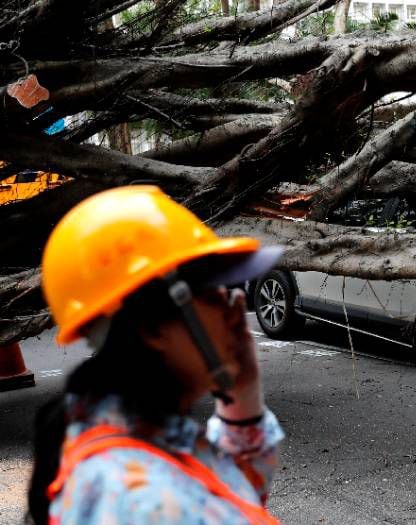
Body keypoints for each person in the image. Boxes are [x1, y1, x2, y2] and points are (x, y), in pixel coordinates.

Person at [27, 186, 284, 525]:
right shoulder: (143, 505)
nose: (232, 306)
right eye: (212, 293)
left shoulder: (133, 448)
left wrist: (243, 394)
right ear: (152, 327)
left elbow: (228, 494)